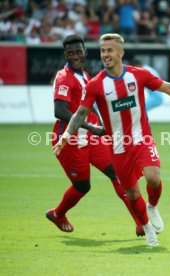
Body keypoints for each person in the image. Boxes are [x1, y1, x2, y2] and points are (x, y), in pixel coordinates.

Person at [53, 33, 170, 246]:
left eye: (110, 50)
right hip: (117, 146)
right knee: (130, 191)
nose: (105, 55)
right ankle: (147, 228)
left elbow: (168, 87)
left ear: (121, 52)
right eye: (103, 51)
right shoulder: (96, 84)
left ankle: (152, 207)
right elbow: (79, 113)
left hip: (141, 139)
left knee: (153, 177)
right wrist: (66, 135)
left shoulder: (138, 75)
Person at [46, 34, 145, 237]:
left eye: (78, 52)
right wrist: (92, 127)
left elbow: (90, 105)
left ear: (85, 52)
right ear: (65, 55)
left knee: (117, 173)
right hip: (70, 141)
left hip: (92, 139)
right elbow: (60, 110)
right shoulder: (64, 77)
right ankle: (58, 214)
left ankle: (140, 223)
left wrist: (101, 125)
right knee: (82, 186)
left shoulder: (86, 76)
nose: (75, 56)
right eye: (70, 53)